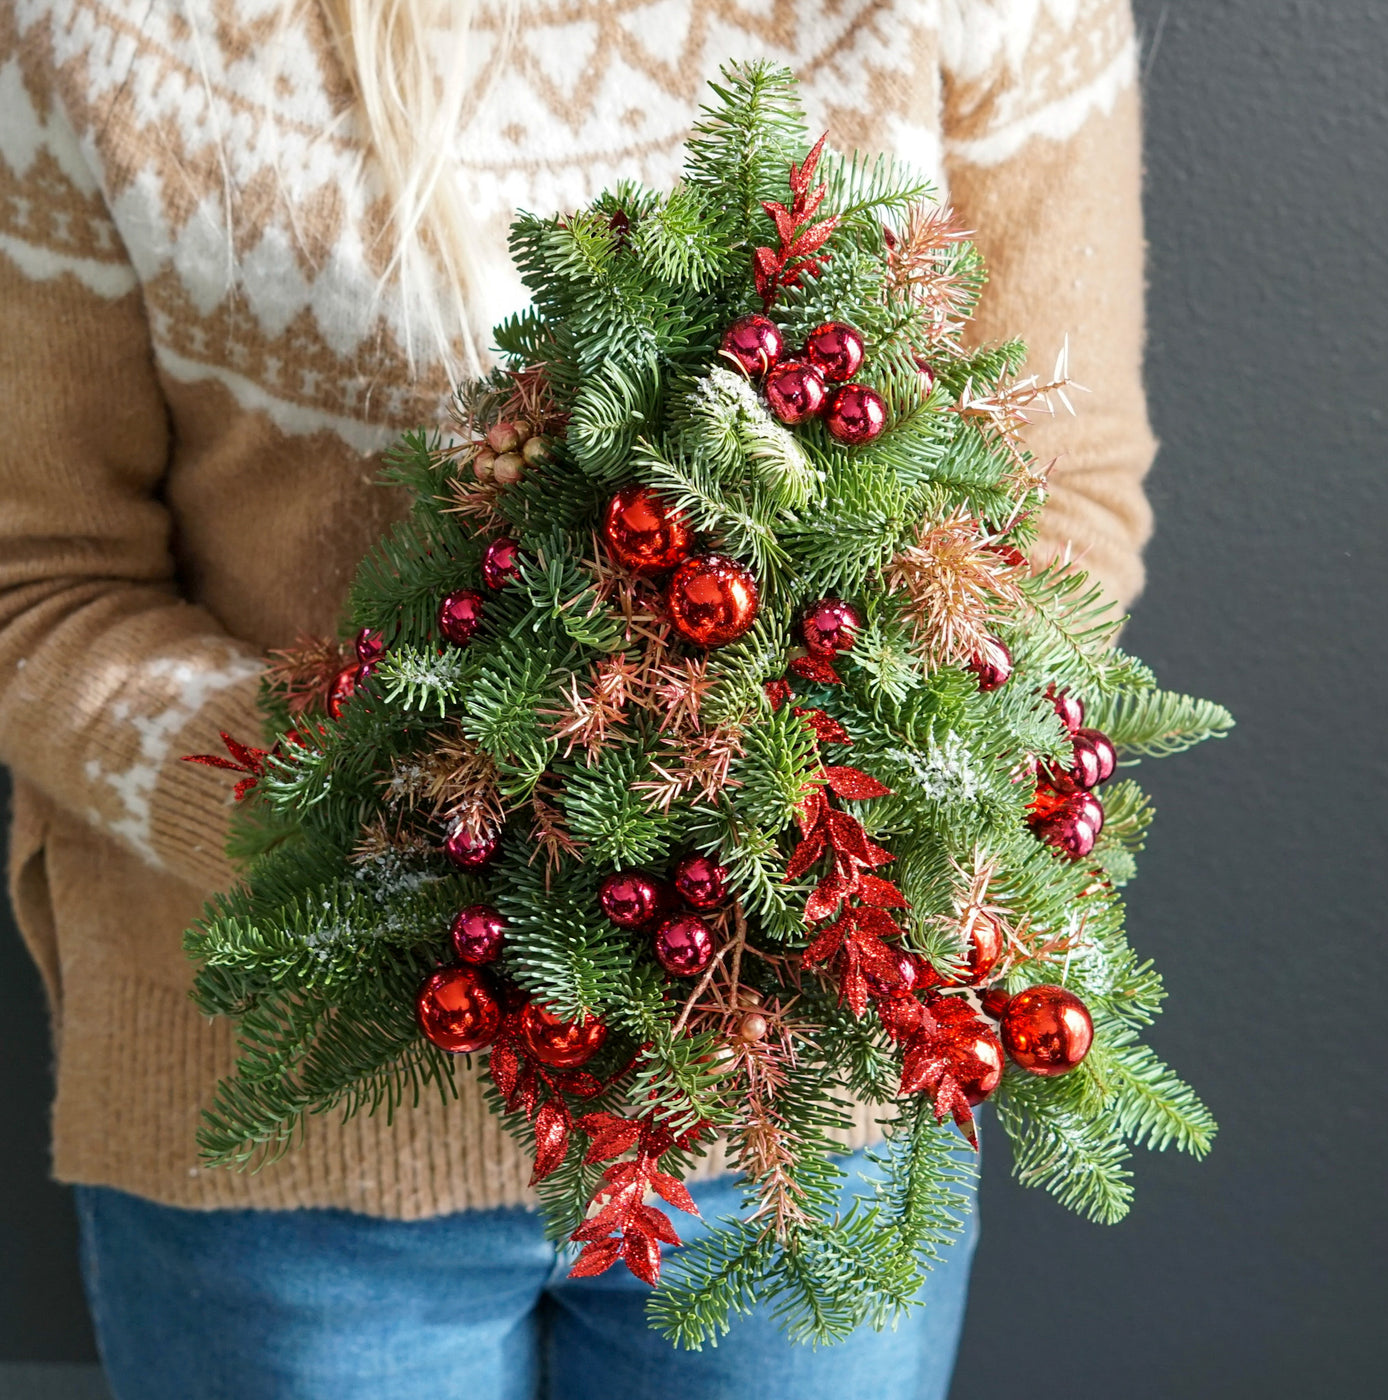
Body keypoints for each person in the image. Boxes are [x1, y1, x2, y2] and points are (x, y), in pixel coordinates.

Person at [0, 2, 1156, 1397]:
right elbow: (42, 578)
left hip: (797, 1111)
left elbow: (1058, 491)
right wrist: (371, 830)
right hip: (280, 1121)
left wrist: (799, 816)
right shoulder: (106, 29)